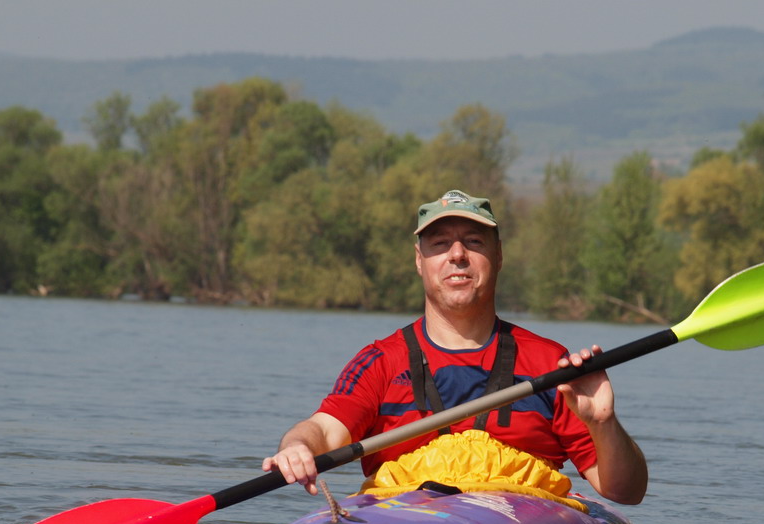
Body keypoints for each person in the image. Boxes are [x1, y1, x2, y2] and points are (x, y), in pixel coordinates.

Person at [263, 190, 647, 505]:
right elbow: (323, 431)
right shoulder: (379, 363)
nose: (458, 254)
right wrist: (297, 446)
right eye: (440, 243)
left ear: (499, 256)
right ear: (420, 261)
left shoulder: (552, 365)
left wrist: (603, 423)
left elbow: (624, 492)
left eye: (474, 242)